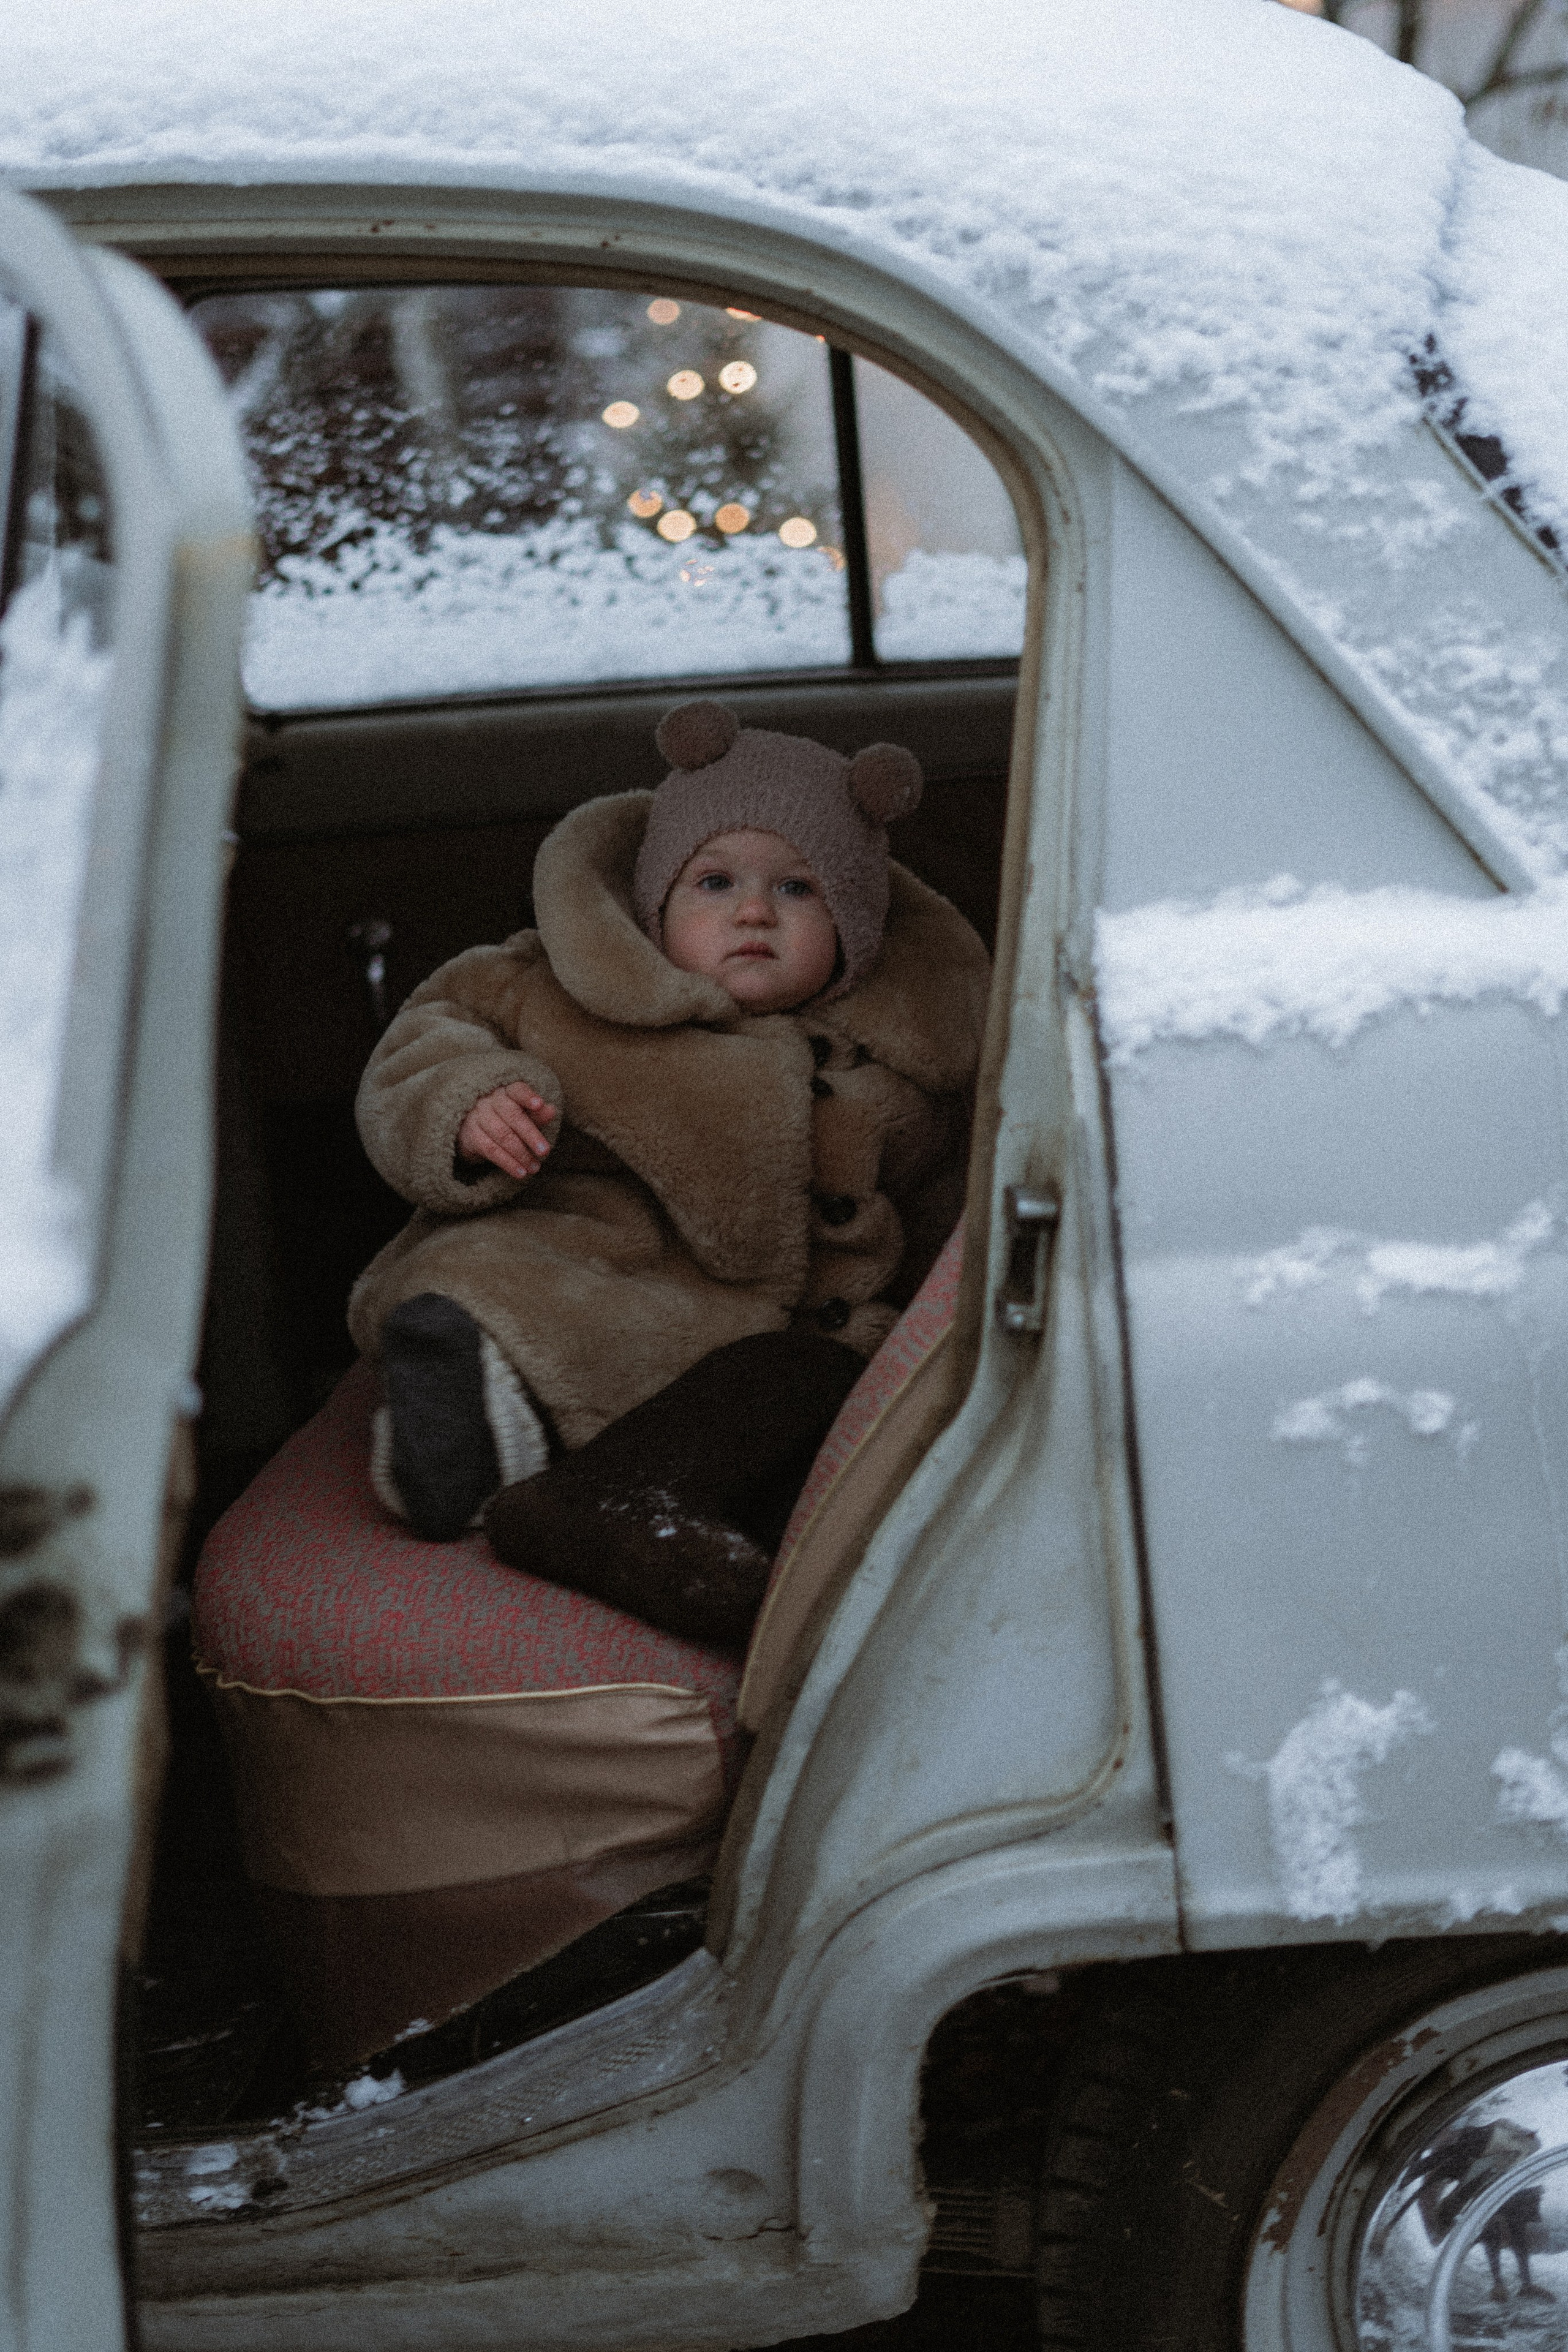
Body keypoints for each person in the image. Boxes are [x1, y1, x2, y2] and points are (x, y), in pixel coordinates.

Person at [347, 699, 990, 1646]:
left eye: (799, 890)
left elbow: (953, 1213)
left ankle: (630, 1510)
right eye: (715, 882)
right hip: (583, 1267)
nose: (753, 912)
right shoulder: (549, 984)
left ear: (856, 928)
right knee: (484, 1289)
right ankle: (470, 1431)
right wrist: (470, 1102)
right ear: (655, 903)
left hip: (772, 1348)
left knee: (807, 1389)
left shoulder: (904, 1067)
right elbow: (421, 1048)